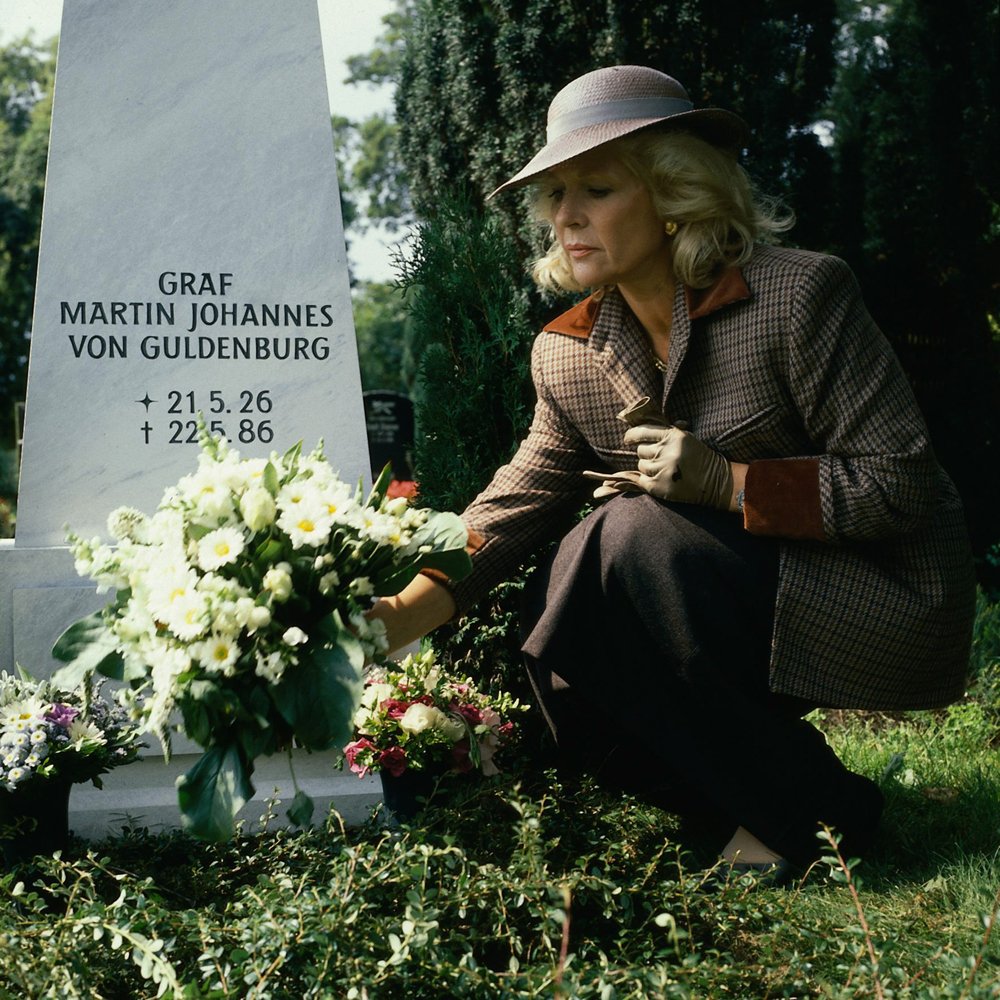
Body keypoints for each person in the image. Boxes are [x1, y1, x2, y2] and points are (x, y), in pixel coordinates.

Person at [369, 65, 976, 874]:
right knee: (556, 641)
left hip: (868, 589)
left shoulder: (798, 296)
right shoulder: (568, 351)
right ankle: (800, 814)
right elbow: (513, 504)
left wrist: (731, 484)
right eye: (555, 194)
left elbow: (900, 484)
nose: (565, 215)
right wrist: (399, 614)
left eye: (596, 189)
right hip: (706, 604)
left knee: (622, 537)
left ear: (674, 193)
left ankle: (812, 818)